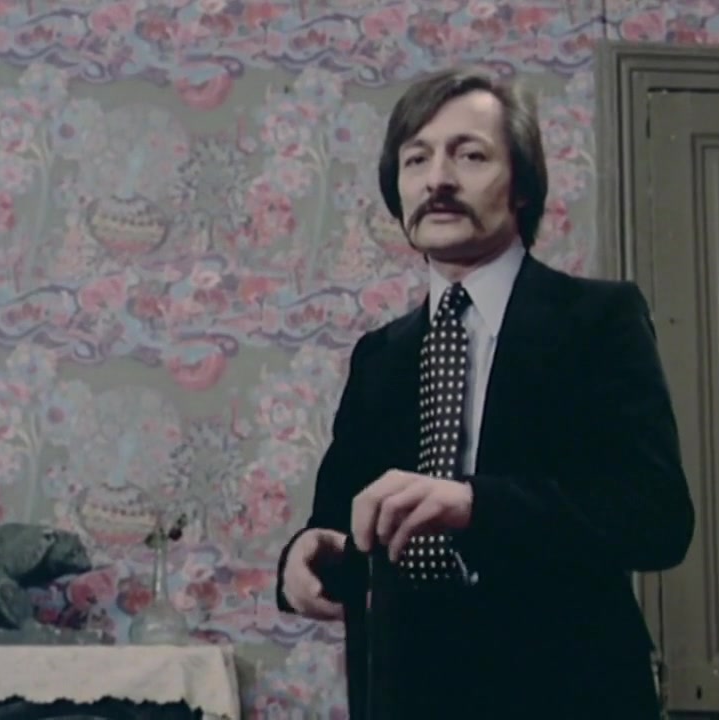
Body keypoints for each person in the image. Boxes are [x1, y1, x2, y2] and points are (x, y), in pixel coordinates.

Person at [275, 66, 695, 720]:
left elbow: (656, 517)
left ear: (522, 185)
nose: (437, 179)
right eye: (416, 159)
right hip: (407, 693)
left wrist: (474, 504)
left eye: (469, 155)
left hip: (568, 692)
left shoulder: (598, 320)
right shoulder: (379, 356)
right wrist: (305, 553)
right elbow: (336, 516)